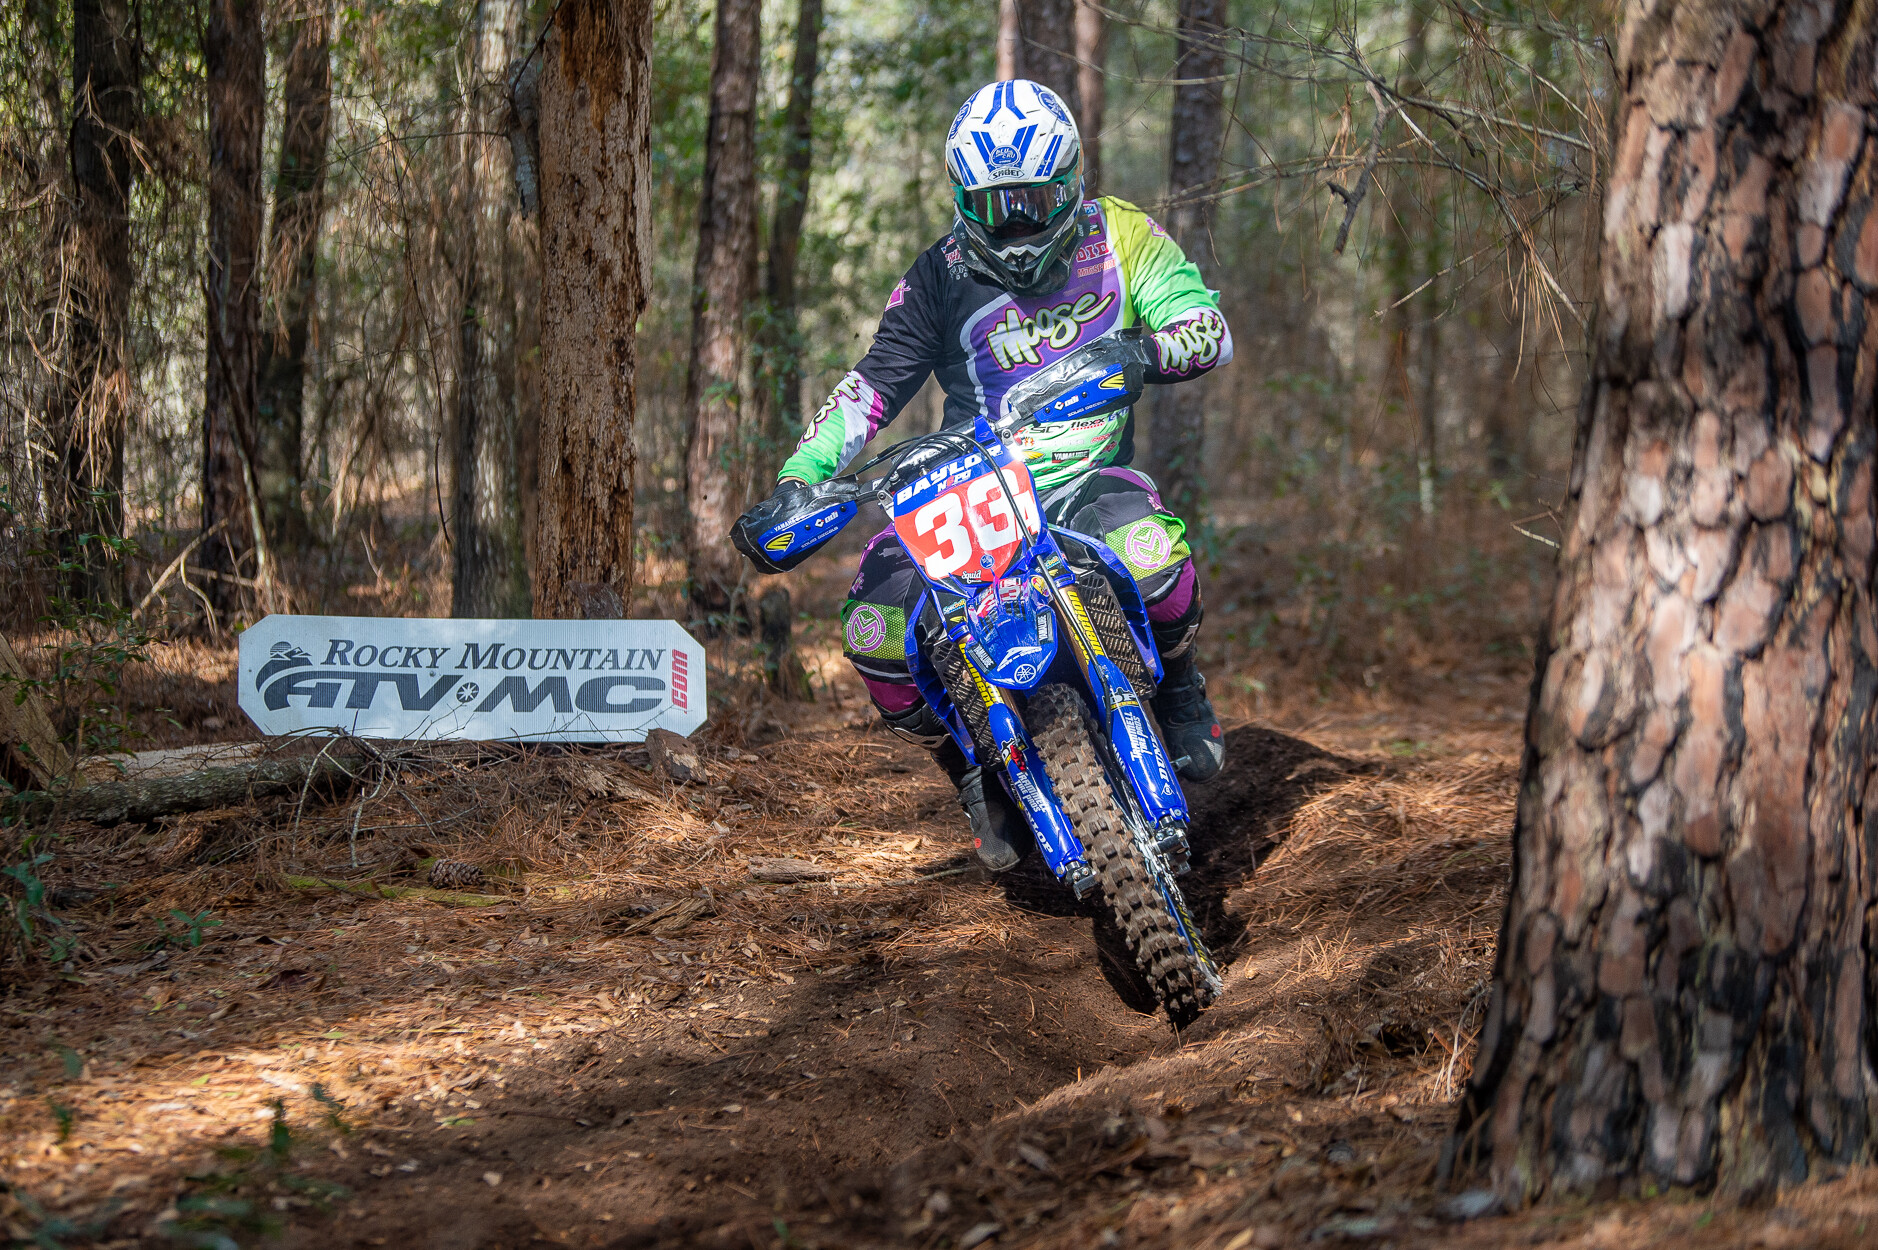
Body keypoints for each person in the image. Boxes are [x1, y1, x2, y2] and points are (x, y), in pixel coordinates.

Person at [765, 79, 1233, 871]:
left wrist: (1141, 352)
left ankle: (1181, 688)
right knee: (875, 631)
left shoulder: (1121, 236)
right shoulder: (940, 275)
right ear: (962, 200)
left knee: (1157, 558)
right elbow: (871, 388)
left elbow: (1206, 328)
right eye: (993, 204)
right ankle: (971, 765)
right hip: (971, 486)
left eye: (1033, 199)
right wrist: (800, 478)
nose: (1015, 222)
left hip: (1084, 472)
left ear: (1071, 183)